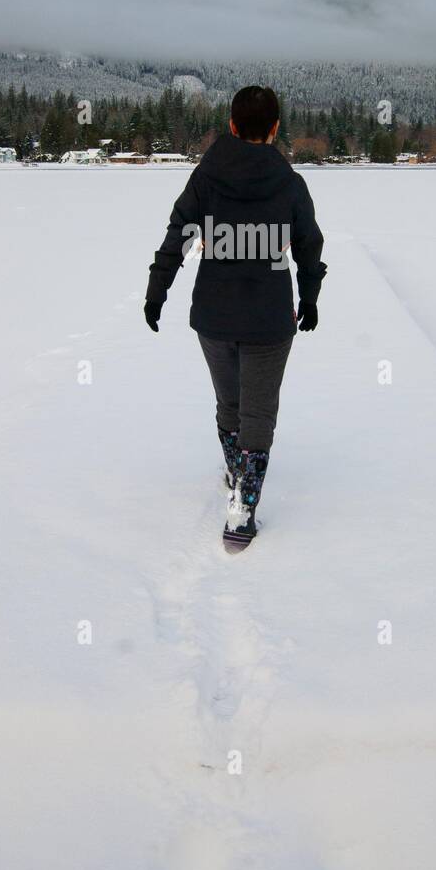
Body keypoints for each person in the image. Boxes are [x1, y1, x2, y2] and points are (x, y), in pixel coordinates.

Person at [144, 86, 327, 551]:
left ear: (230, 125)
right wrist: (309, 298)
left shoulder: (205, 178)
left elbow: (178, 235)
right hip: (268, 319)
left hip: (214, 316)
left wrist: (157, 291)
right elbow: (308, 246)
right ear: (274, 128)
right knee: (258, 413)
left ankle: (236, 469)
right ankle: (243, 509)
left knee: (230, 403)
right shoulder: (290, 184)